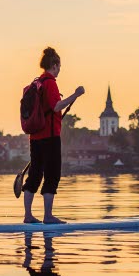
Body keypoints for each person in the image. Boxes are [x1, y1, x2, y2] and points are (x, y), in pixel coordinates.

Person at [22, 47, 84, 224]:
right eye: (60, 66)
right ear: (54, 65)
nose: (60, 69)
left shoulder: (37, 83)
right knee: (52, 174)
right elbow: (57, 106)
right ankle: (48, 216)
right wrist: (76, 94)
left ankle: (28, 216)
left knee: (34, 174)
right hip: (50, 136)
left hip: (35, 137)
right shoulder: (50, 82)